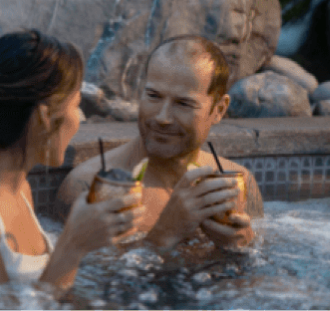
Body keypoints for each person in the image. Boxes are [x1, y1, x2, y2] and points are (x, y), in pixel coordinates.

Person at [0, 29, 145, 293]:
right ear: (44, 118)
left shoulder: (20, 190)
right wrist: (72, 246)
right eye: (76, 105)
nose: (80, 119)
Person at [56, 36, 264, 253]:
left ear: (219, 110)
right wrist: (164, 235)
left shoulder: (240, 183)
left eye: (184, 103)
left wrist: (244, 249)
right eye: (153, 96)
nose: (162, 118)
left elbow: (255, 282)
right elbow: (82, 281)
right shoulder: (91, 186)